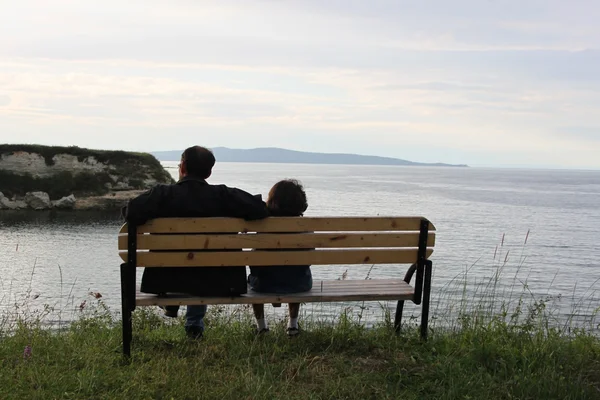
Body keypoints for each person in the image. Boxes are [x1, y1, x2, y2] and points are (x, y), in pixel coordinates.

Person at [121, 145, 269, 339]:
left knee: (183, 263)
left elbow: (131, 213)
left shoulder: (163, 195)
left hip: (165, 280)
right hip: (221, 281)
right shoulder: (224, 196)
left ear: (182, 167)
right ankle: (194, 326)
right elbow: (260, 209)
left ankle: (175, 307)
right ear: (209, 172)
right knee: (203, 266)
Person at [248, 179, 311, 336]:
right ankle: (293, 326)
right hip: (299, 284)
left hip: (265, 285)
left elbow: (254, 263)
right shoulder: (305, 227)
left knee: (254, 278)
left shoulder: (263, 227)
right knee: (296, 272)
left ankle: (262, 328)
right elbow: (308, 259)